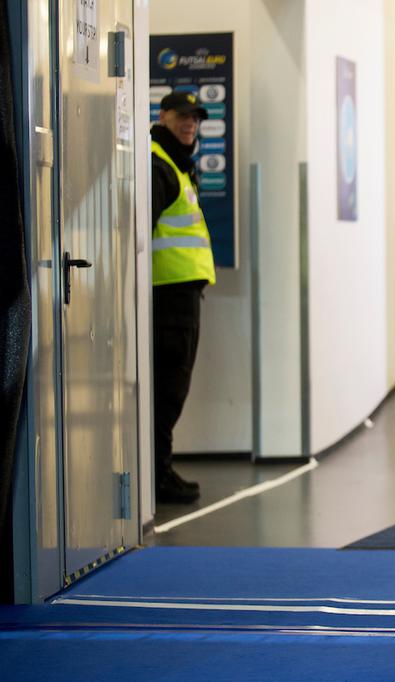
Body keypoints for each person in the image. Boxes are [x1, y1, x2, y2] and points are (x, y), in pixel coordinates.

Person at [150, 92, 216, 503]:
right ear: (164, 117)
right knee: (168, 390)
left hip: (180, 296)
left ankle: (159, 469)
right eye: (181, 117)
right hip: (168, 300)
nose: (189, 124)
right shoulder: (161, 164)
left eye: (194, 118)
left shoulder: (177, 163)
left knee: (171, 389)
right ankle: (158, 475)